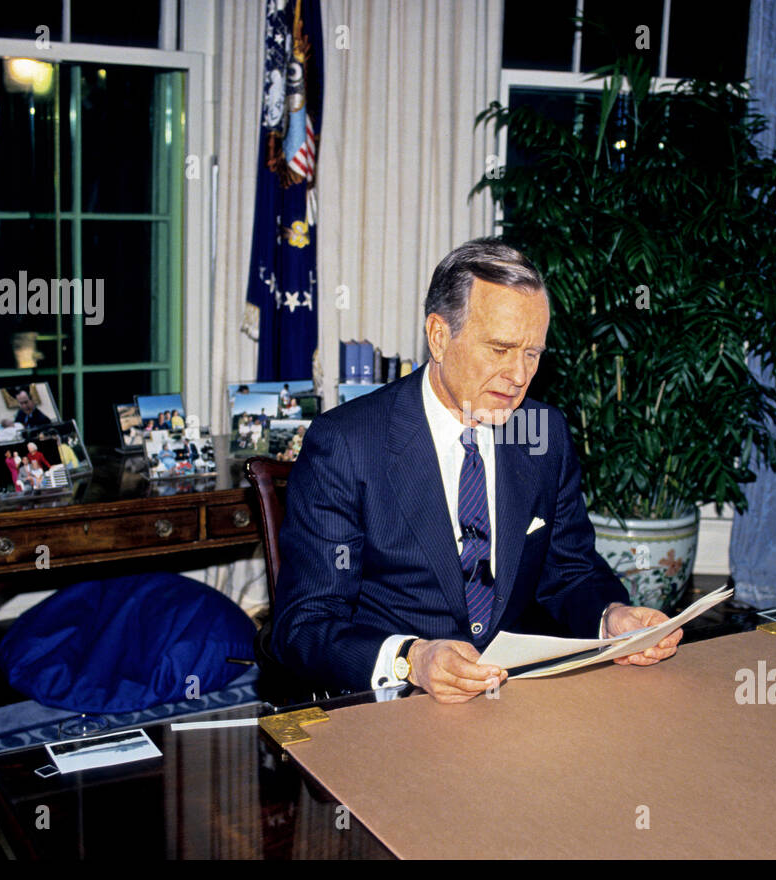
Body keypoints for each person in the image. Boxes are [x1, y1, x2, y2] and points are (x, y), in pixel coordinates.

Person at [270, 239, 683, 703]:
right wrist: (412, 659)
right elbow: (304, 626)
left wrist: (612, 616)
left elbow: (570, 571)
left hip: (522, 702)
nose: (519, 376)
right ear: (440, 336)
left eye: (533, 354)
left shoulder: (542, 434)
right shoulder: (347, 443)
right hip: (397, 707)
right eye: (501, 349)